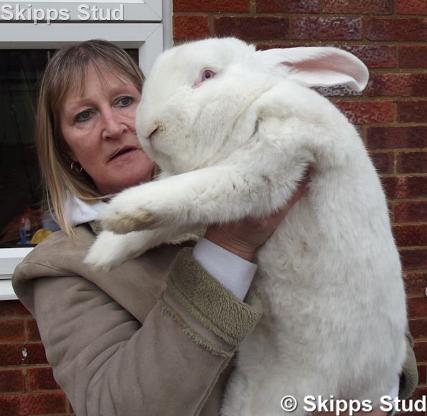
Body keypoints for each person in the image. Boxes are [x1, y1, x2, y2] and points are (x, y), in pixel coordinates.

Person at [12, 40, 418, 416]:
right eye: (84, 115)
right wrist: (231, 245)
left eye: (124, 101)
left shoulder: (276, 169)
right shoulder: (62, 267)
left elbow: (370, 300)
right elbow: (118, 406)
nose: (114, 126)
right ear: (67, 152)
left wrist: (375, 393)